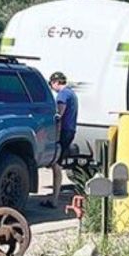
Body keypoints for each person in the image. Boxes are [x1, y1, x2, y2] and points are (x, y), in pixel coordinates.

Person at [41, 71, 78, 208]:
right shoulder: (72, 94)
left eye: (51, 85)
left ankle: (54, 200)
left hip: (64, 132)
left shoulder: (62, 95)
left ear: (56, 82)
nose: (52, 88)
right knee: (58, 164)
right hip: (71, 130)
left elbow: (59, 115)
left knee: (56, 165)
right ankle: (54, 198)